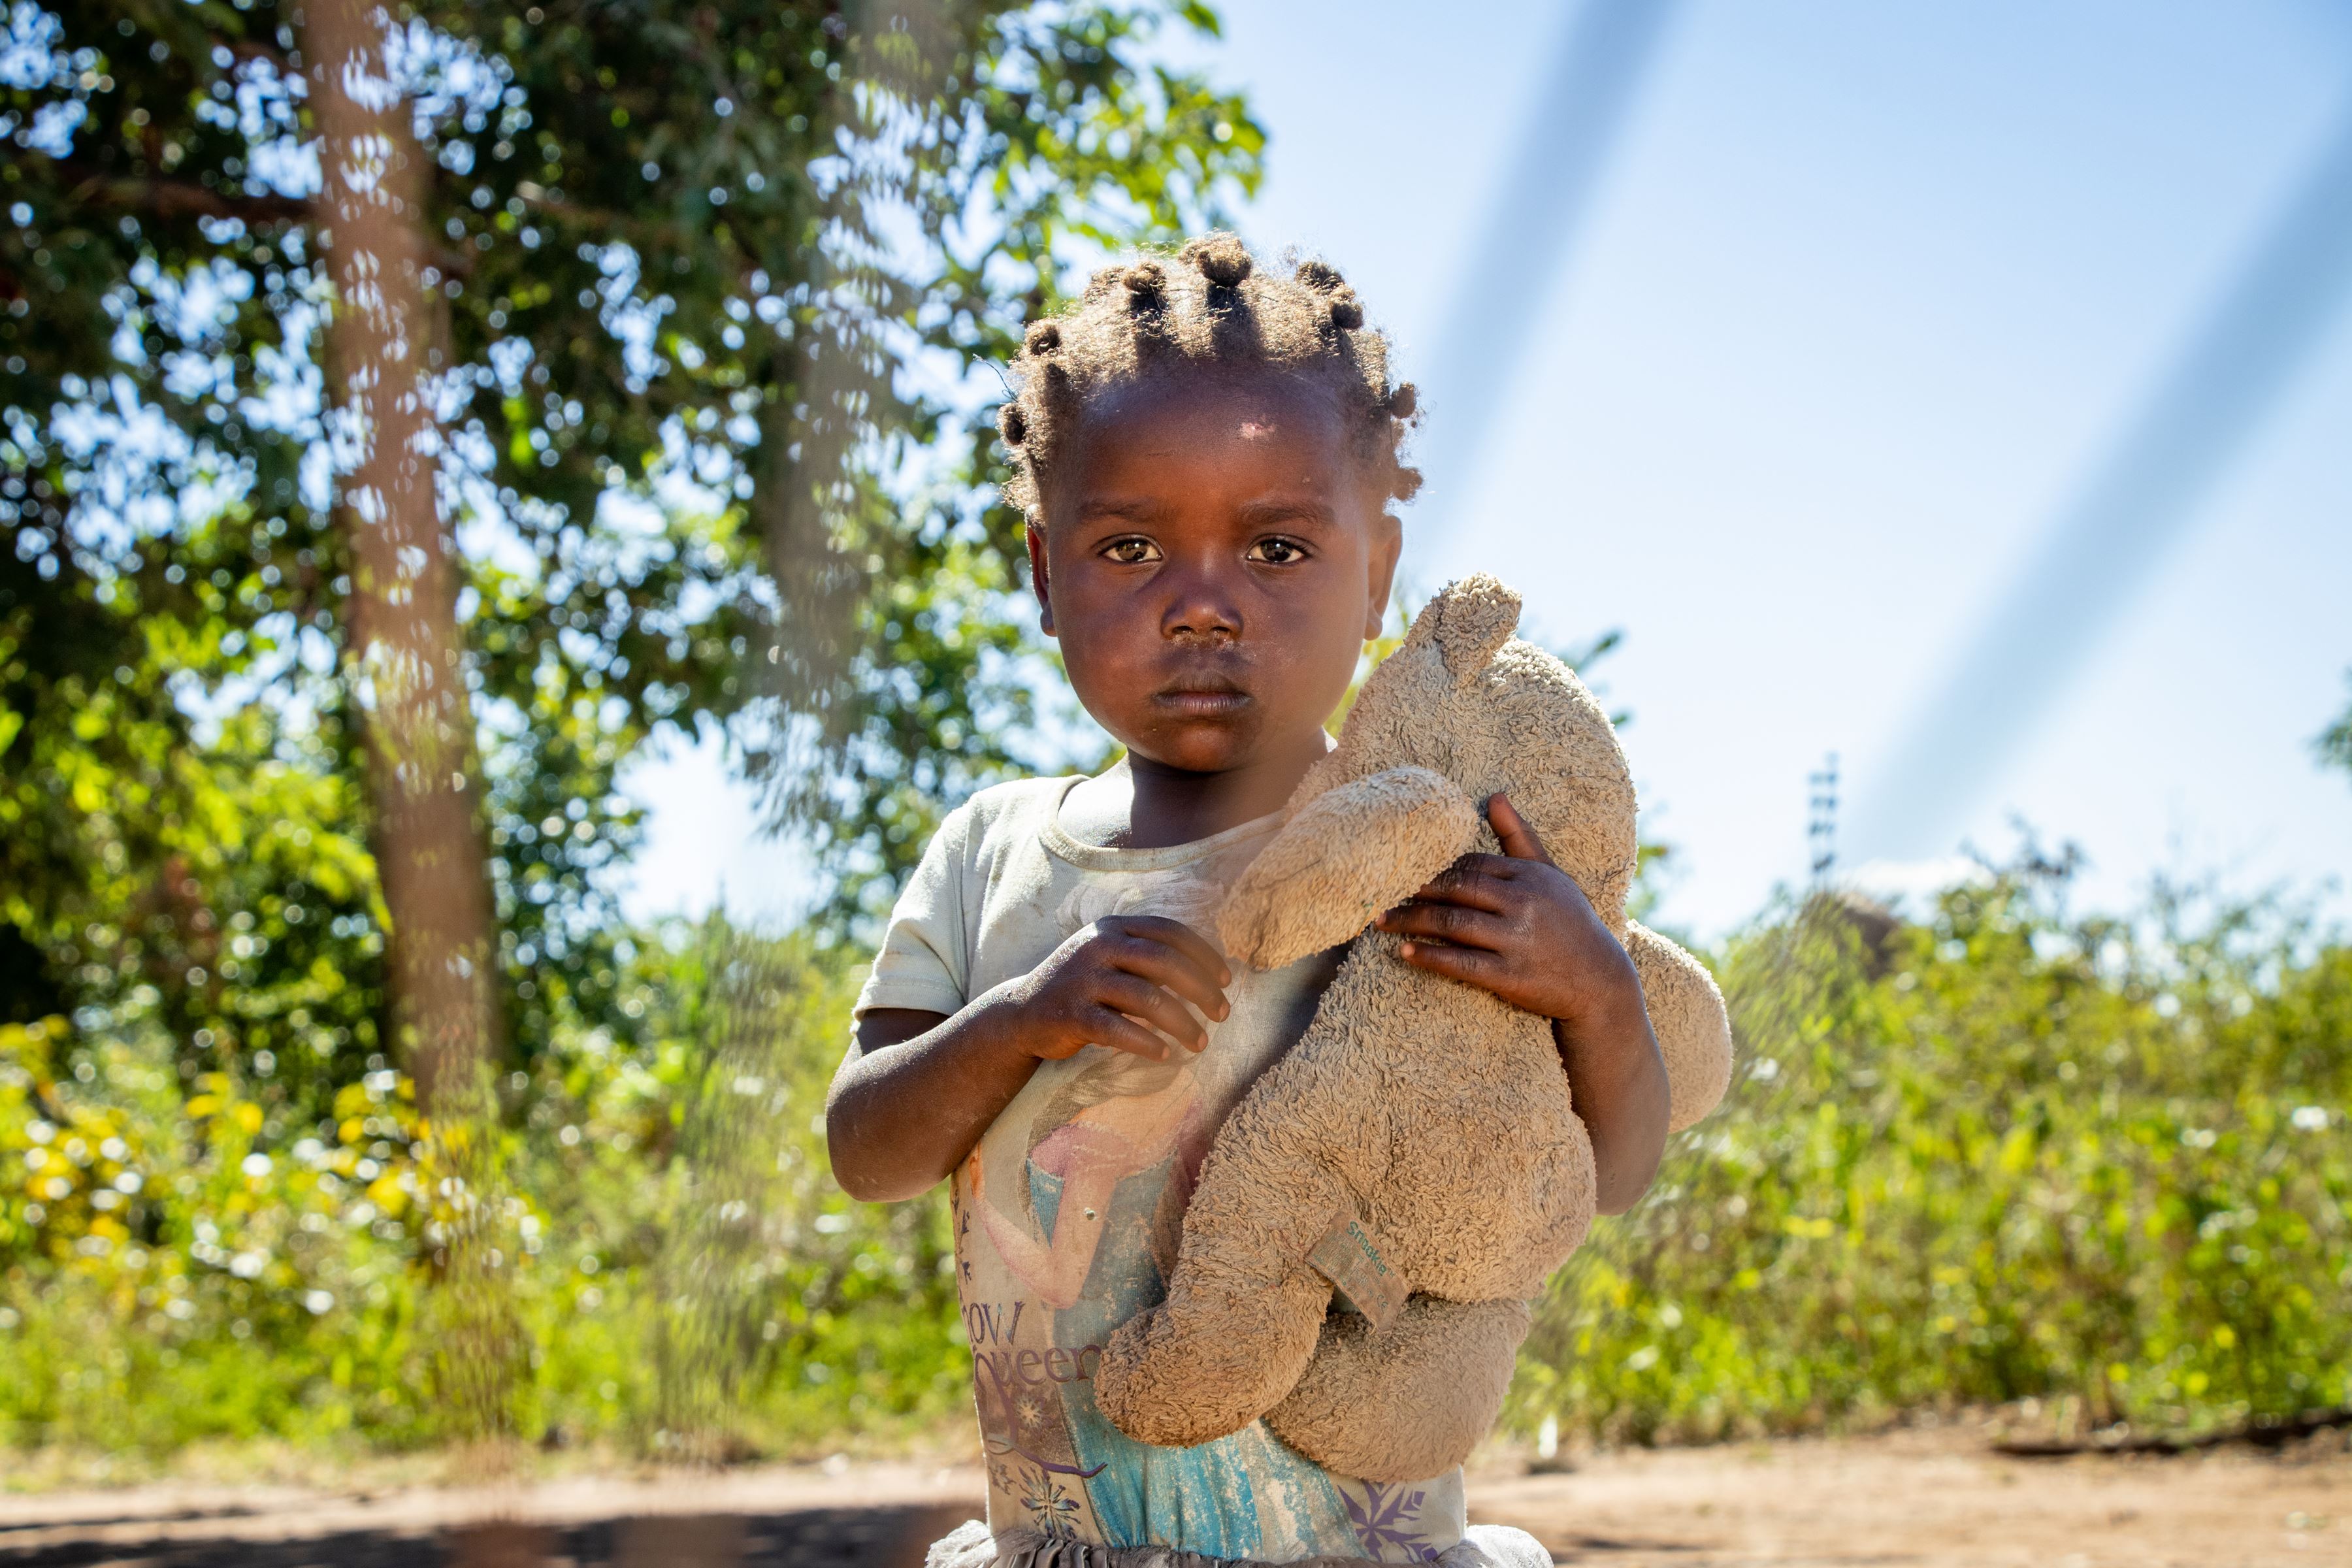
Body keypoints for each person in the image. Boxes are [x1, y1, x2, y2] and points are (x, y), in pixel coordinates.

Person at [826, 235, 1670, 1568]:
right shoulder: (991, 852)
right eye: (1130, 548)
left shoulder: (1432, 854)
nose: (1204, 606)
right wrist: (1018, 1021)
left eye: (1278, 547)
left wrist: (1595, 991)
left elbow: (1607, 1178)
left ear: (1378, 571)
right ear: (1046, 576)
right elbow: (867, 1148)